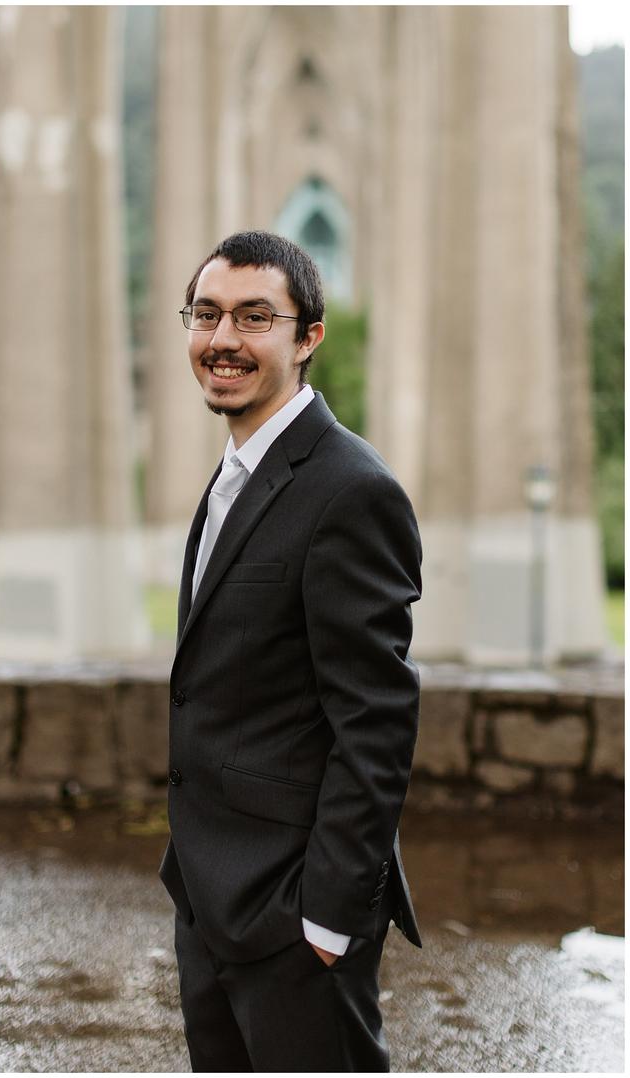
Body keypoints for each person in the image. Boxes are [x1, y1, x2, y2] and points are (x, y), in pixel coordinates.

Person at [160, 230, 422, 1071]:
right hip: (208, 901)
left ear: (307, 337)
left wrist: (326, 922)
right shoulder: (235, 475)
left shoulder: (352, 489)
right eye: (206, 314)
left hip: (293, 918)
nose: (222, 339)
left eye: (253, 317)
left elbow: (376, 725)